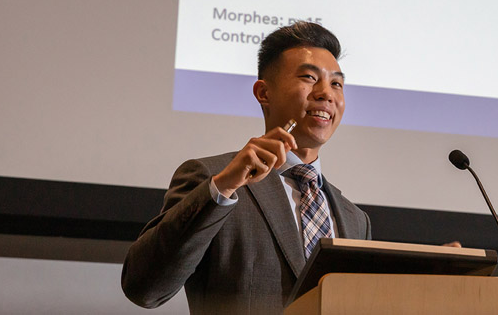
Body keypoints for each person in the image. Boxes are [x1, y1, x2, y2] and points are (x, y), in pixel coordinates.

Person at [121, 22, 371, 313]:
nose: (326, 94)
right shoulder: (216, 181)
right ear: (264, 93)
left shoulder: (356, 221)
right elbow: (144, 289)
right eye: (309, 77)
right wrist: (222, 187)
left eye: (336, 84)